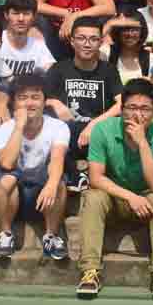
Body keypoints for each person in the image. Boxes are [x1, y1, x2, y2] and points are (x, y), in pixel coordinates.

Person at [76, 78, 153, 299]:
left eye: (145, 109)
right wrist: (130, 196)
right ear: (121, 109)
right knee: (93, 196)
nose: (137, 114)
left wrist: (142, 143)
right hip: (114, 200)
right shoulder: (103, 130)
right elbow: (95, 178)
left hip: (147, 203)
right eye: (131, 107)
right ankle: (90, 271)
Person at [0, 73, 69, 260]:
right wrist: (19, 126)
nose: (29, 103)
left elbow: (57, 159)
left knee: (58, 182)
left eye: (35, 97)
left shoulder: (58, 127)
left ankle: (51, 236)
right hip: (14, 197)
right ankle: (5, 234)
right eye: (22, 98)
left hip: (43, 195)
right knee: (6, 179)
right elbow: (7, 163)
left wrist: (51, 185)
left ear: (44, 101)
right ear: (13, 102)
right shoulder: (4, 129)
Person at [45, 15, 124, 192]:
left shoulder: (108, 70)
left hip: (98, 132)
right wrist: (55, 103)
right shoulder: (59, 69)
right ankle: (75, 176)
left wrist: (94, 124)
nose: (87, 44)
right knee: (52, 125)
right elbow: (39, 99)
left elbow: (122, 104)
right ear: (72, 41)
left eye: (93, 39)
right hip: (67, 132)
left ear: (100, 42)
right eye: (81, 38)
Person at [0, 0, 56, 79]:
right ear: (6, 15)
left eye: (26, 14)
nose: (21, 19)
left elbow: (50, 71)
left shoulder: (38, 45)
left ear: (34, 17)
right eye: (15, 13)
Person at [100, 13, 152, 84]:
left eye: (135, 30)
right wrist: (110, 24)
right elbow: (92, 42)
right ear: (118, 31)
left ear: (142, 31)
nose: (130, 34)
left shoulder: (151, 59)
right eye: (125, 29)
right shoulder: (106, 52)